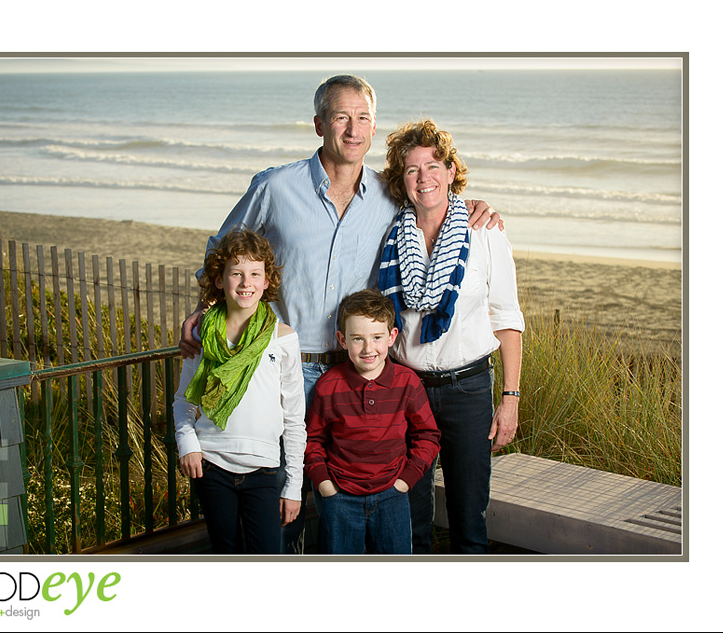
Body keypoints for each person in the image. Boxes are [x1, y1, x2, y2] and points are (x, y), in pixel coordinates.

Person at [179, 74, 501, 553]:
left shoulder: (391, 196)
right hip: (285, 367)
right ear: (318, 124)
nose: (354, 129)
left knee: (348, 502)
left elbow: (431, 198)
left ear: (374, 129)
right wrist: (203, 308)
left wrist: (473, 206)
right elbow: (222, 251)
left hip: (357, 375)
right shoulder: (274, 187)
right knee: (283, 503)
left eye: (364, 118)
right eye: (341, 117)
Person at [378, 119, 524, 554]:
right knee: (410, 517)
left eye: (434, 165)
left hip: (469, 389)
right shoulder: (389, 235)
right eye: (412, 169)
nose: (424, 177)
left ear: (450, 170)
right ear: (400, 180)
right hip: (408, 389)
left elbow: (507, 316)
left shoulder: (484, 231)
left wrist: (511, 398)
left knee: (469, 517)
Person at [172, 228, 306, 554]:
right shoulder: (204, 334)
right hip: (211, 465)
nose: (246, 283)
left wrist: (294, 487)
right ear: (219, 280)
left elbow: (294, 417)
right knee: (225, 554)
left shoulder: (283, 338)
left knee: (266, 555)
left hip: (263, 470)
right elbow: (183, 401)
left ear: (266, 281)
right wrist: (188, 445)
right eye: (236, 273)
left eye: (255, 274)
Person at [304, 289, 440, 554]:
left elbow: (428, 436)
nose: (368, 349)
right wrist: (324, 484)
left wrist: (405, 481)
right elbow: (313, 440)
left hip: (393, 496)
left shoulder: (407, 383)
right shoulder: (328, 386)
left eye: (377, 338)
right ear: (342, 340)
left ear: (391, 337)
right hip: (340, 498)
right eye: (358, 339)